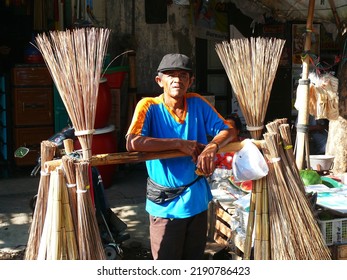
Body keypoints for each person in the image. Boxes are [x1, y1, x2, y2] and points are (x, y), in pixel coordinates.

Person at [126, 53, 237, 260]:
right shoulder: (149, 106)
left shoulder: (197, 103)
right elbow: (132, 142)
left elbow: (228, 130)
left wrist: (213, 145)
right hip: (165, 205)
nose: (177, 79)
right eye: (170, 75)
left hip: (197, 200)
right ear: (159, 81)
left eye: (183, 75)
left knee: (193, 261)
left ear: (190, 81)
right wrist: (179, 144)